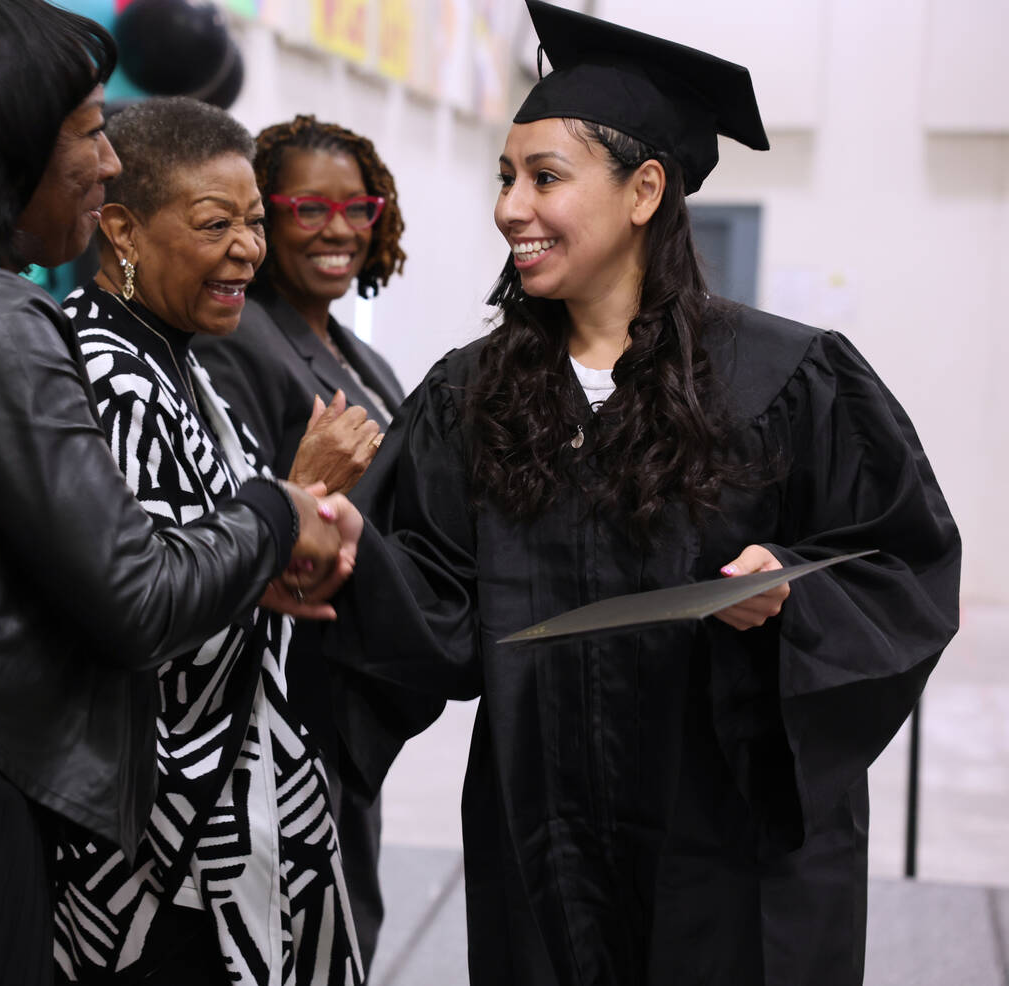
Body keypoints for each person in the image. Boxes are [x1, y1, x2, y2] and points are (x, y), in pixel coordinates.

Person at [322, 2, 962, 984]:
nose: (510, 209)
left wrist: (791, 588)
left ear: (643, 190)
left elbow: (902, 568)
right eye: (505, 177)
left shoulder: (789, 380)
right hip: (544, 843)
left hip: (728, 853)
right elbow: (435, 605)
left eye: (545, 177)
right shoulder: (472, 394)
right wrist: (338, 545)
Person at [0, 5, 354, 984]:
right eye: (92, 129)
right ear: (6, 145)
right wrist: (277, 512)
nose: (108, 164)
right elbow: (135, 599)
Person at [53, 97, 362, 985]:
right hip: (166, 843)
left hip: (229, 811)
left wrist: (286, 533)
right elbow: (154, 602)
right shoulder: (111, 376)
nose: (249, 249)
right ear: (122, 229)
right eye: (215, 223)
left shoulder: (174, 358)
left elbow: (229, 554)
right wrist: (290, 506)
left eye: (255, 222)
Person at [193, 114, 410, 966]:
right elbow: (242, 501)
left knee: (351, 907)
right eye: (306, 208)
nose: (338, 229)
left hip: (347, 675)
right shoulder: (240, 338)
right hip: (282, 675)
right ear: (262, 215)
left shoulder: (349, 348)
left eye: (357, 207)